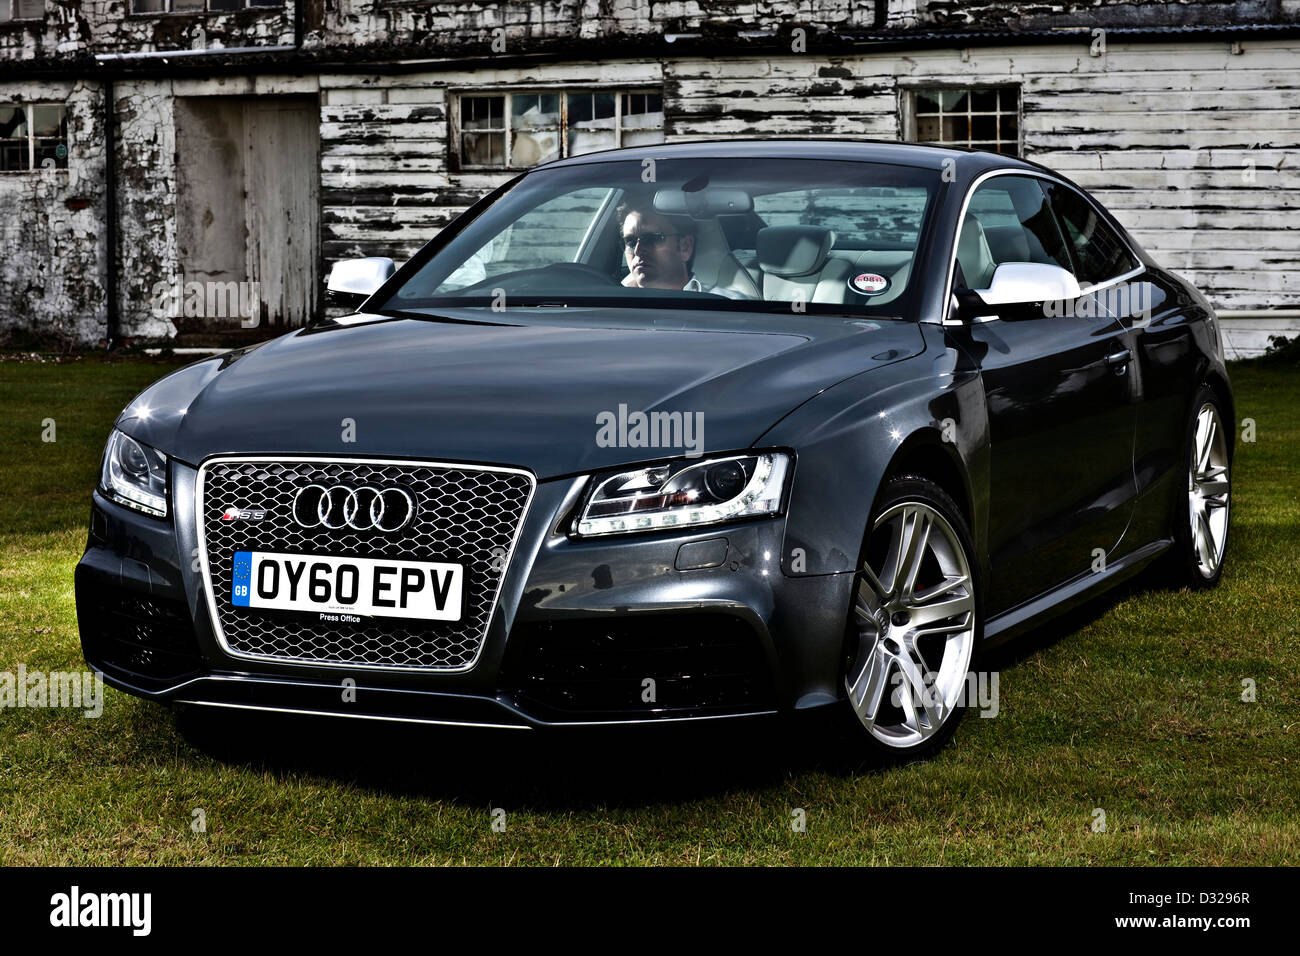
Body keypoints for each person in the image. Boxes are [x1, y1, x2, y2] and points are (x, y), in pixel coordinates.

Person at [617, 201, 751, 299]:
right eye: (630, 242)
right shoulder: (608, 301)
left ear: (685, 246)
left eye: (651, 239)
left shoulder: (730, 306)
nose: (638, 251)